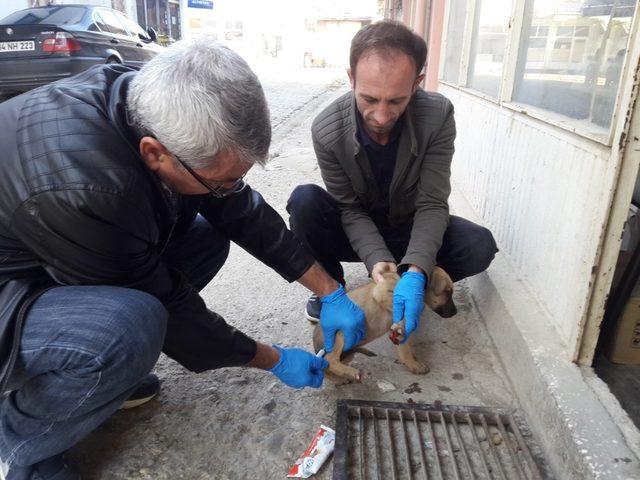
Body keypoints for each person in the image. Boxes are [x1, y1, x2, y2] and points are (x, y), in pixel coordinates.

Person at [0, 39, 365, 480]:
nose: (229, 190)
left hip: (53, 248)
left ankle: (100, 376)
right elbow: (172, 310)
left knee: (206, 238)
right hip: (11, 286)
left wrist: (330, 291)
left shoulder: (145, 102)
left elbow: (240, 211)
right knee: (130, 326)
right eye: (221, 181)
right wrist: (272, 358)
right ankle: (22, 442)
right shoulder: (90, 192)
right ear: (155, 153)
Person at [287, 20, 498, 342]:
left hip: (409, 226)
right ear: (351, 79)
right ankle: (332, 290)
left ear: (417, 83)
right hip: (355, 229)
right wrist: (377, 259)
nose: (382, 117)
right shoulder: (326, 130)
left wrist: (417, 268)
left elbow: (431, 202)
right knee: (304, 202)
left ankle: (411, 283)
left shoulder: (437, 116)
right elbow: (349, 208)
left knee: (479, 246)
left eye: (396, 101)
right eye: (369, 99)